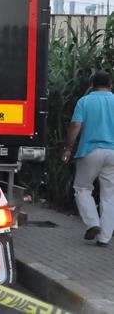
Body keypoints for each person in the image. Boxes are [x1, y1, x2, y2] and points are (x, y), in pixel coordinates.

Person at [63, 71, 114, 247]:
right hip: (113, 152)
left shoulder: (85, 101)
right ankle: (105, 238)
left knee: (82, 188)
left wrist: (68, 148)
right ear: (110, 85)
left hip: (90, 151)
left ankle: (93, 223)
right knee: (109, 195)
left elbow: (76, 125)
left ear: (92, 85)